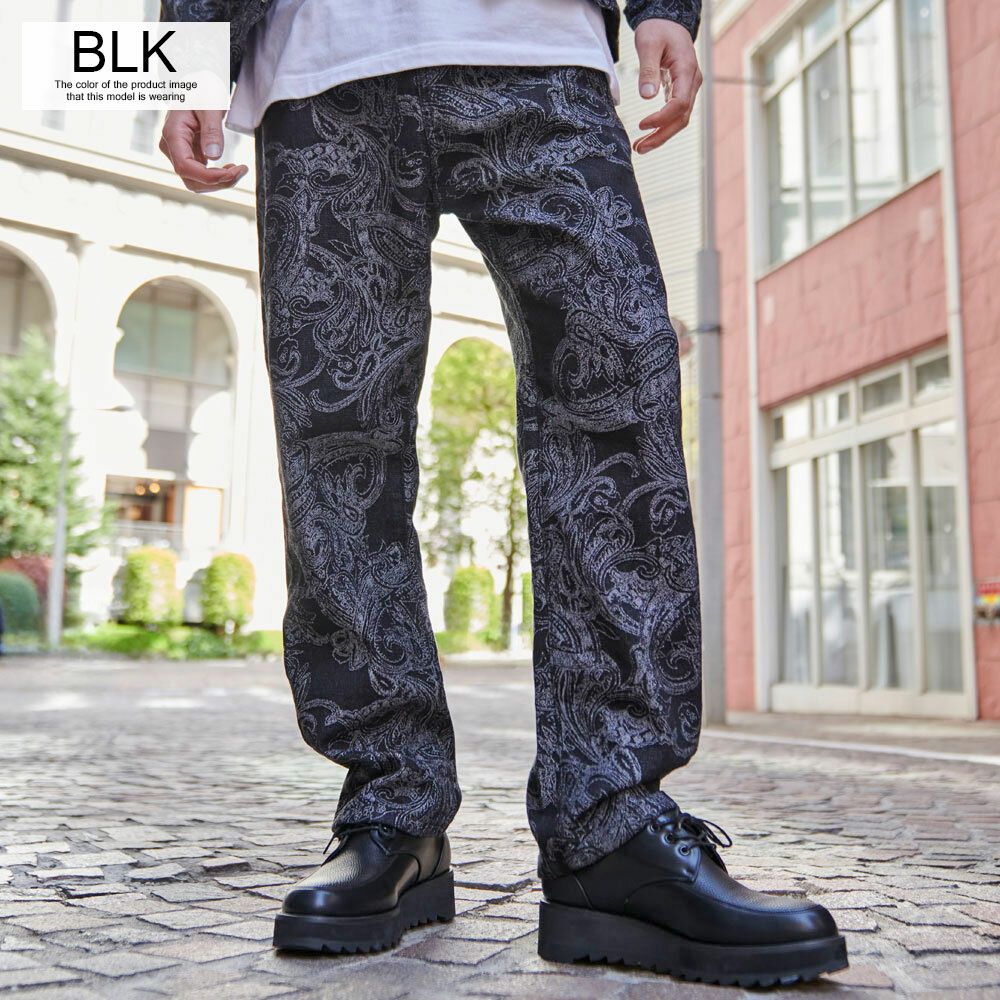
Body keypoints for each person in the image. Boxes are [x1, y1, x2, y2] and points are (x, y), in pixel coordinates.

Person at [158, 0, 847, 986]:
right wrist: (185, 61)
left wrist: (664, 8)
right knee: (339, 442)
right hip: (321, 68)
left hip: (540, 53)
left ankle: (610, 820)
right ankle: (392, 809)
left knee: (615, 400)